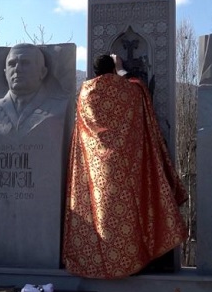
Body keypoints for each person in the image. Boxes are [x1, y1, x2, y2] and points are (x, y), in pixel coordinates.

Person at [62, 54, 188, 279]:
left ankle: (100, 263)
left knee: (100, 214)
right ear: (113, 67)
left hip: (95, 166)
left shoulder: (85, 92)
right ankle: (132, 260)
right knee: (129, 215)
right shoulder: (128, 90)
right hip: (125, 164)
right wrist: (122, 71)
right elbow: (140, 90)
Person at [0, 43, 69, 142]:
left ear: (42, 72)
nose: (17, 69)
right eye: (12, 64)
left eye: (25, 63)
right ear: (5, 73)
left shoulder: (59, 107)